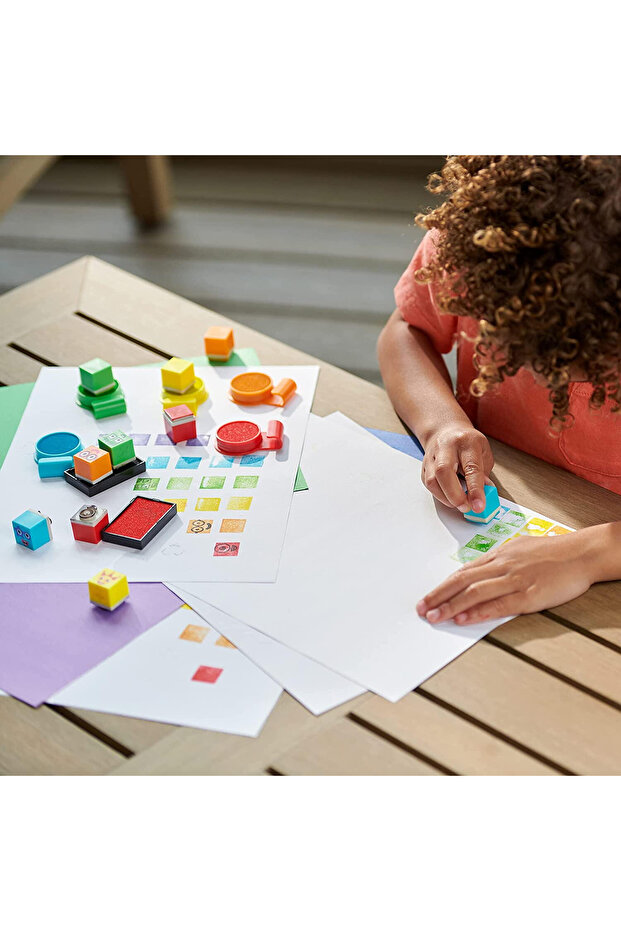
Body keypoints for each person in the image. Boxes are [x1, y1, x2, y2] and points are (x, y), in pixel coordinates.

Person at [377, 155, 621, 626]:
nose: (557, 377)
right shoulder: (484, 242)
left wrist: (588, 555)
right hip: (513, 502)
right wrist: (442, 424)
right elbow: (407, 331)